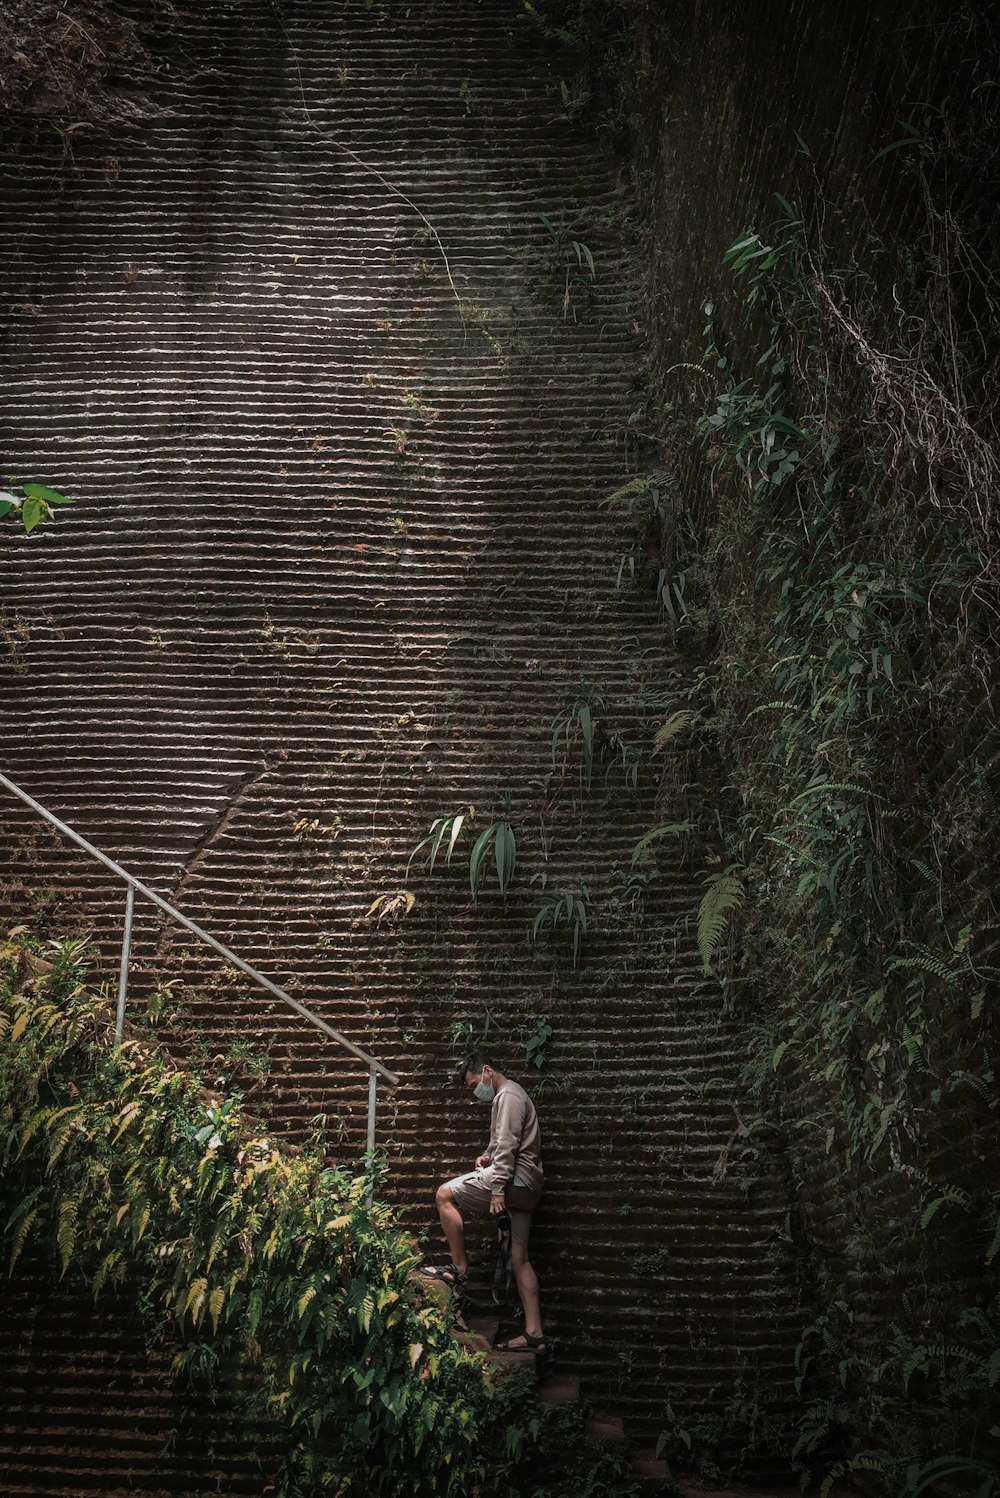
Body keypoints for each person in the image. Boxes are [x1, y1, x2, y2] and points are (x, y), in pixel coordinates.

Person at [421, 1051, 546, 1355]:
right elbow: (503, 1143)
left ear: (488, 1071)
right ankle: (534, 1335)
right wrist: (488, 1155)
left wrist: (498, 1189)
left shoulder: (507, 1095)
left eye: (475, 1083)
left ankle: (459, 1270)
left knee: (444, 1195)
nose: (476, 1090)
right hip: (528, 1187)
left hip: (514, 1181)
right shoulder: (511, 1096)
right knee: (520, 1259)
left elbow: (508, 1147)